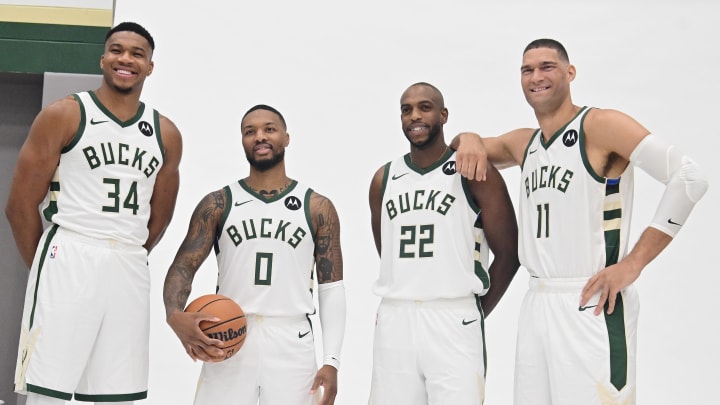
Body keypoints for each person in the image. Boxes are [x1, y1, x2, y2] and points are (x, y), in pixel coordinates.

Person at [452, 39, 709, 405]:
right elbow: (465, 145)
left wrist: (633, 265)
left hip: (590, 300)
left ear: (570, 73)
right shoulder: (524, 143)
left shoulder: (600, 125)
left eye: (547, 67)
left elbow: (689, 178)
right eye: (527, 70)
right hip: (537, 302)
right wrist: (470, 138)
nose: (536, 77)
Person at [4, 22, 183, 404]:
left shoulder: (165, 133)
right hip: (70, 252)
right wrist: (44, 265)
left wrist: (126, 251)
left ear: (150, 67)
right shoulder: (65, 114)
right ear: (102, 59)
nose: (126, 59)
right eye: (117, 50)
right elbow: (19, 206)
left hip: (128, 264)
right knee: (48, 392)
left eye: (137, 54)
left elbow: (160, 217)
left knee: (115, 395)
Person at [163, 104, 346, 405]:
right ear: (243, 141)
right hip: (228, 333)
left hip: (291, 338)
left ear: (286, 138)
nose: (259, 136)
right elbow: (183, 265)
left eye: (269, 129)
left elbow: (331, 287)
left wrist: (332, 360)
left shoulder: (316, 207)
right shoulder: (219, 203)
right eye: (250, 132)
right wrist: (174, 315)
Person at [368, 82, 520, 405]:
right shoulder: (384, 178)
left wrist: (477, 309)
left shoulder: (473, 172)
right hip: (396, 318)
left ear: (443, 115)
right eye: (406, 110)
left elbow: (510, 254)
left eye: (425, 107)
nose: (415, 116)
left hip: (454, 317)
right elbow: (388, 252)